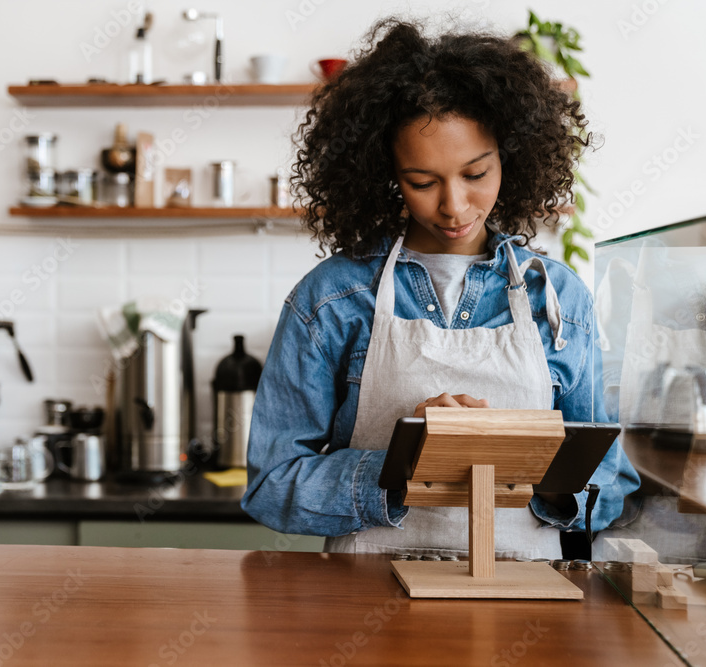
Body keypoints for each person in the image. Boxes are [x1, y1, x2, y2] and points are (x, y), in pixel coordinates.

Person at [241, 18, 641, 557]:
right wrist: (405, 463)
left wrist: (516, 462)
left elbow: (610, 487)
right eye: (422, 183)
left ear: (511, 157)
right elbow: (272, 487)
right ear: (387, 174)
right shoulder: (332, 300)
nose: (453, 206)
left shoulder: (559, 299)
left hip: (521, 613)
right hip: (366, 611)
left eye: (476, 174)